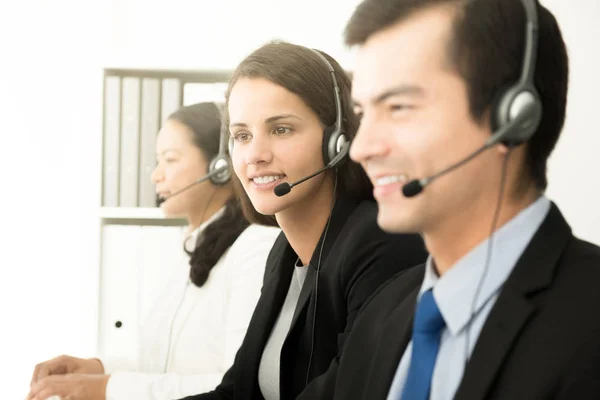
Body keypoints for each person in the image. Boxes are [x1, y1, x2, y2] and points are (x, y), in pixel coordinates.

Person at [308, 0, 600, 399]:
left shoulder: (589, 322)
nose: (360, 149)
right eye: (363, 112)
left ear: (513, 117)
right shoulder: (385, 312)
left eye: (398, 107)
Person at [178, 41, 428, 400]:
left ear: (337, 141)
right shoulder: (282, 253)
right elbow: (236, 393)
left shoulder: (383, 242)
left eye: (281, 129)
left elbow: (355, 391)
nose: (255, 155)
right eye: (242, 136)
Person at [27, 102, 281, 400]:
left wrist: (105, 389)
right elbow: (163, 369)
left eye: (169, 160)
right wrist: (96, 368)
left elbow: (237, 385)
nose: (156, 176)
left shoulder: (256, 248)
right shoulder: (192, 251)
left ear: (221, 167)